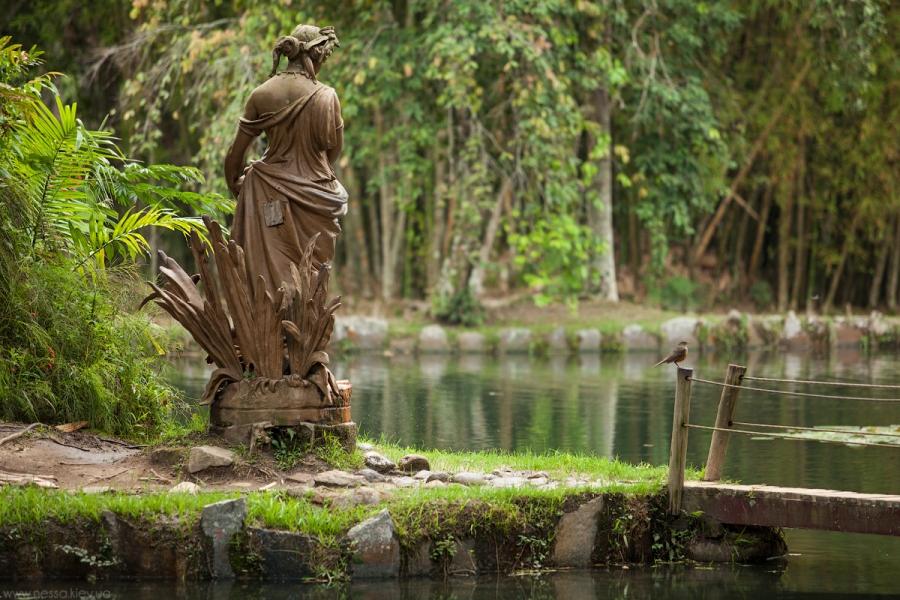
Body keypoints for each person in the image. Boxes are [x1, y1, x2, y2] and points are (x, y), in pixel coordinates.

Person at [224, 24, 346, 295]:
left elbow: (235, 154)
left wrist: (236, 184)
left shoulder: (262, 94)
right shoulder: (327, 97)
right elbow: (334, 150)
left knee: (269, 273)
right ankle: (299, 332)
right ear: (313, 55)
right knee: (312, 278)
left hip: (268, 194)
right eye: (323, 57)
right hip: (316, 197)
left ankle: (268, 330)